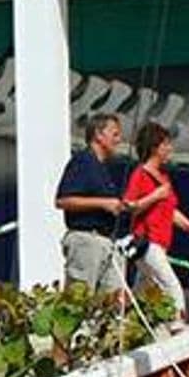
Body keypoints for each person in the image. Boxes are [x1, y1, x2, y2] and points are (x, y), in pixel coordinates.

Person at [124, 121, 189, 326]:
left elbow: (170, 211)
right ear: (155, 148)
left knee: (141, 293)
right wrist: (155, 195)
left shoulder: (163, 177)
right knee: (172, 286)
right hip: (147, 243)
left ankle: (122, 325)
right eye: (166, 144)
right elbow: (130, 207)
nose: (170, 149)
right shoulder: (141, 174)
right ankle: (178, 327)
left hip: (161, 243)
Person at [54, 113, 130, 292]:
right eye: (115, 134)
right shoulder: (83, 161)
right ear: (98, 134)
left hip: (107, 242)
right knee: (79, 301)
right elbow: (62, 200)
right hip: (86, 241)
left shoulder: (102, 168)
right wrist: (103, 203)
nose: (119, 140)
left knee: (112, 301)